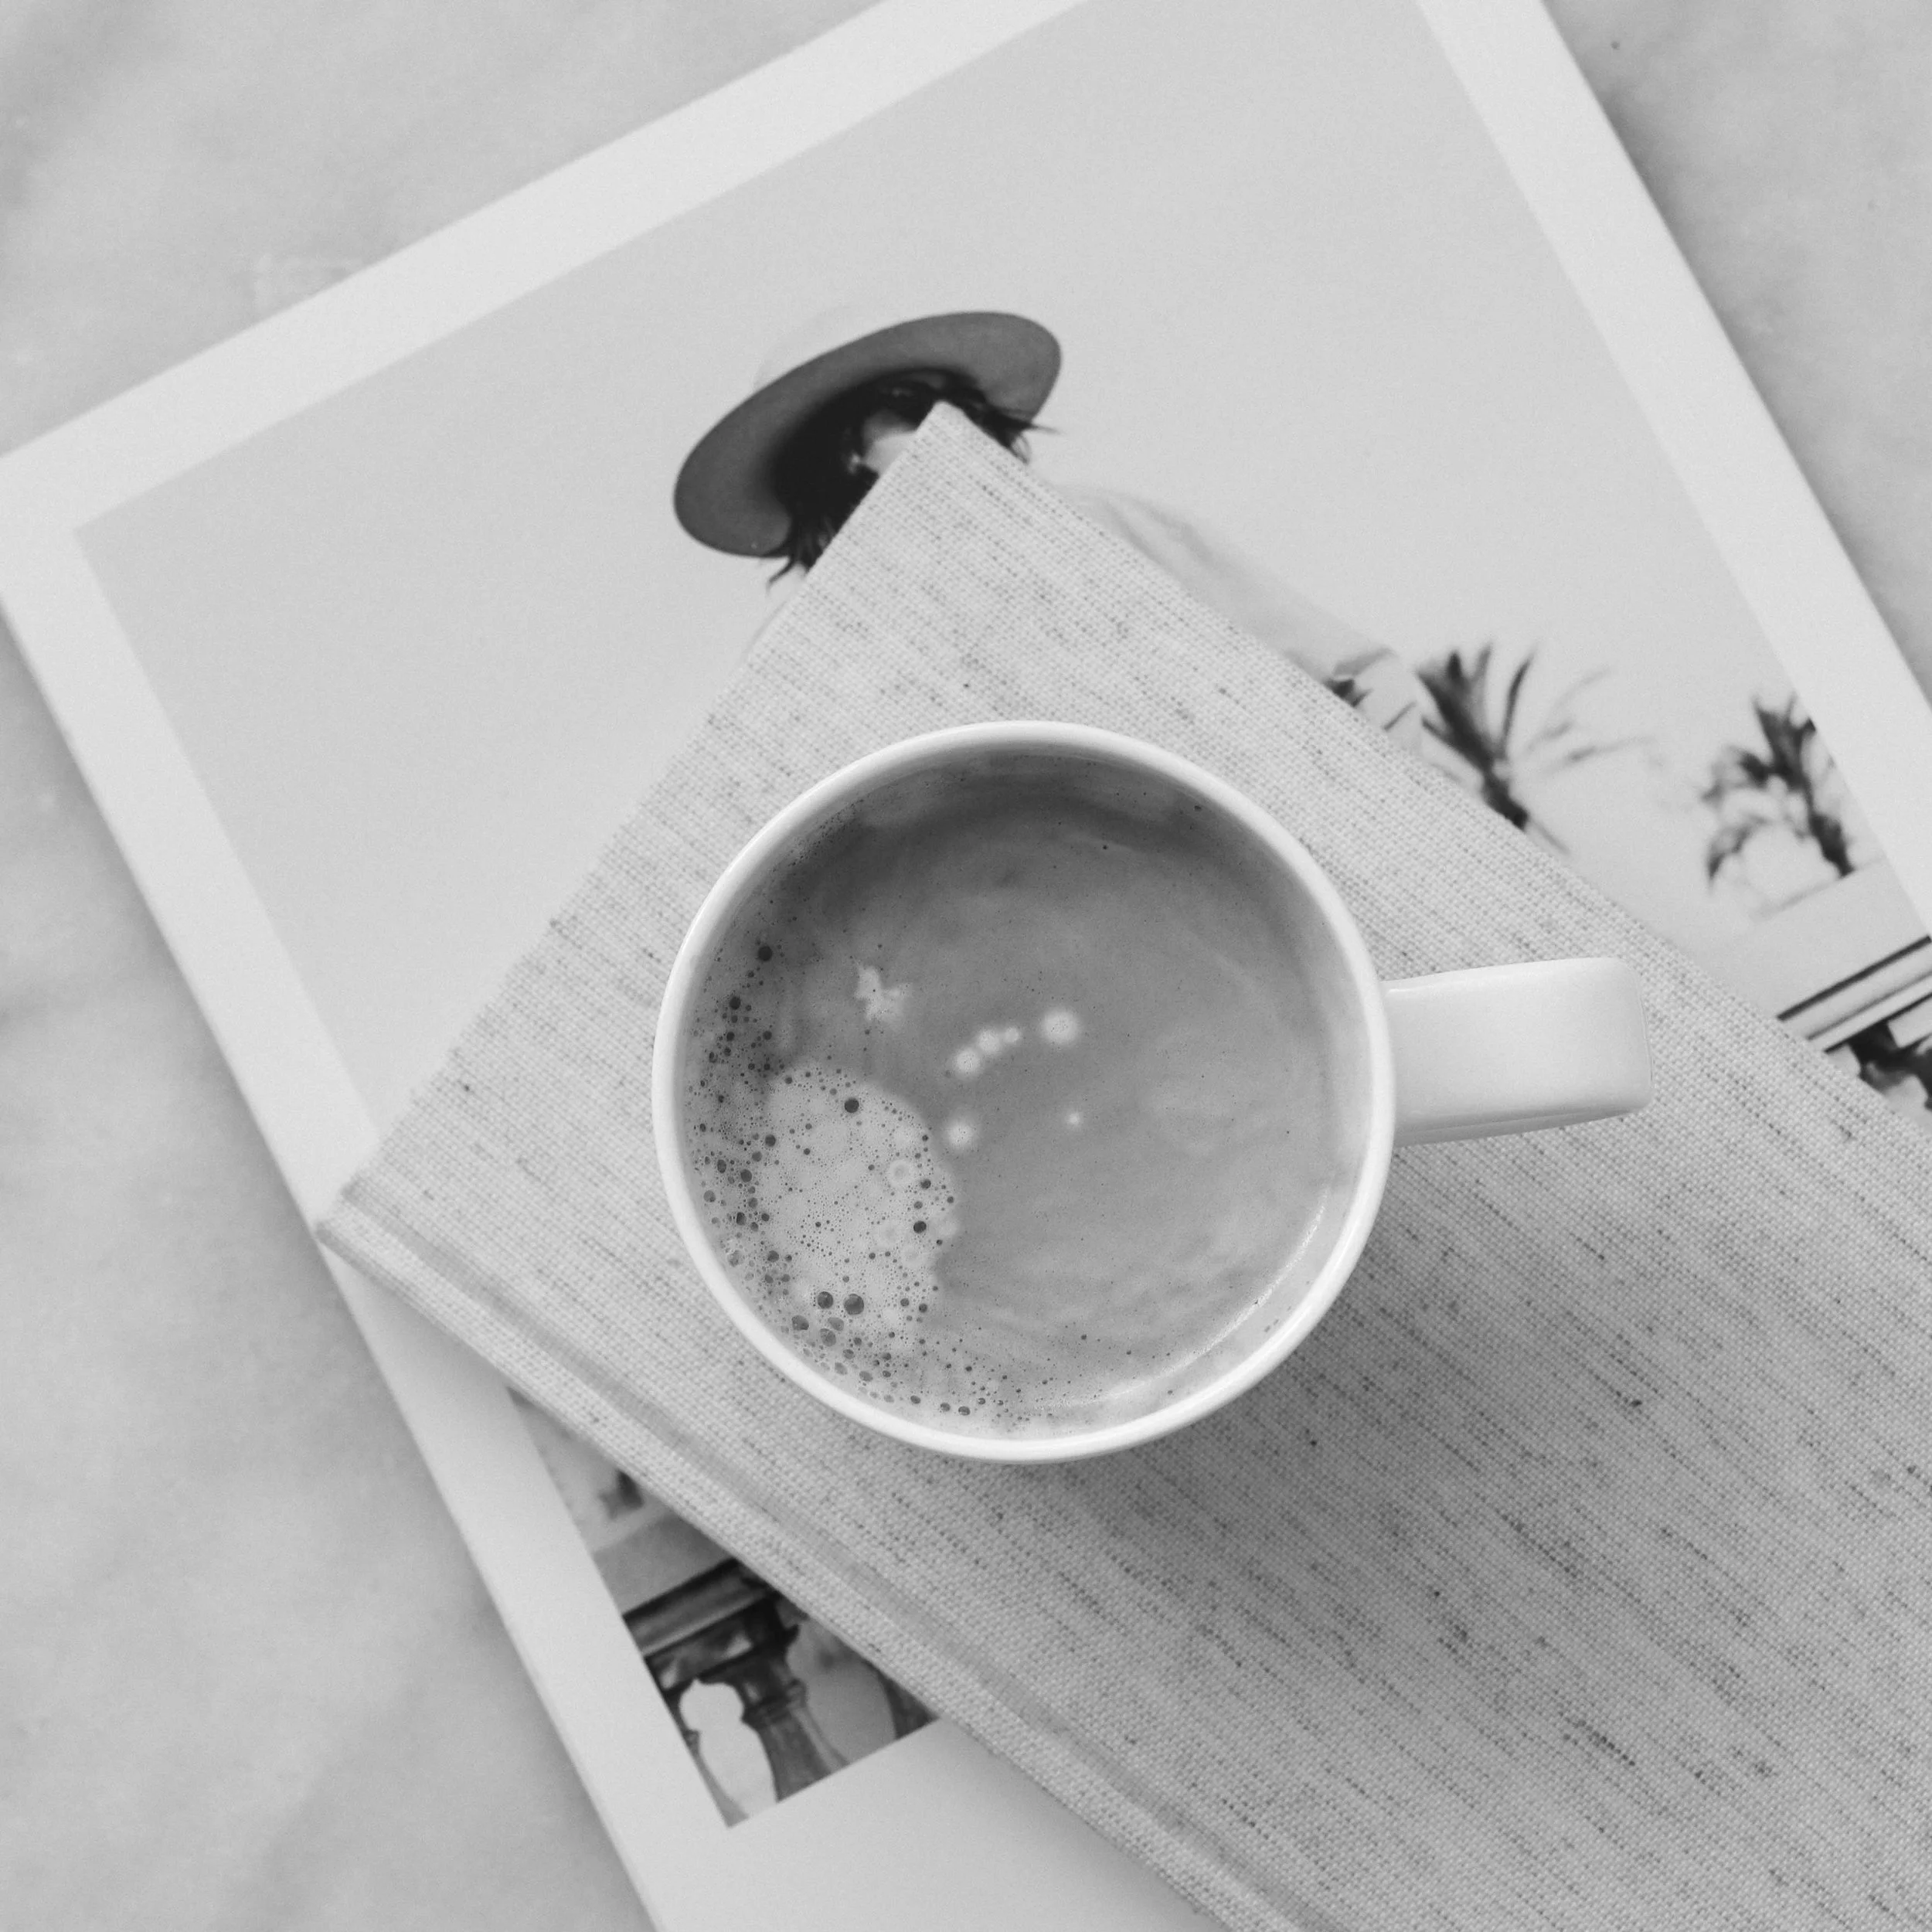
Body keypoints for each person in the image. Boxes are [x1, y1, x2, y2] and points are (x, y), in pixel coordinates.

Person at [673, 307, 1425, 741]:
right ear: (836, 457)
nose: (950, 423)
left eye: (958, 404)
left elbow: (1360, 678)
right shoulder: (804, 659)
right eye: (909, 405)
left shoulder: (1101, 528)